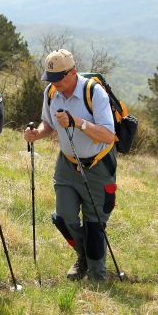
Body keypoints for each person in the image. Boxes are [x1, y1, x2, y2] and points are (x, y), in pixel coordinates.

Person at [24, 49, 117, 281]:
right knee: (63, 218)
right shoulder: (51, 92)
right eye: (51, 79)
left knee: (95, 224)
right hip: (67, 164)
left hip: (99, 165)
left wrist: (78, 123)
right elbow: (49, 123)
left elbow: (108, 135)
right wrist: (37, 134)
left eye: (59, 79)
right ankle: (83, 256)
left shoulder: (94, 93)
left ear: (73, 72)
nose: (55, 84)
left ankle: (98, 277)